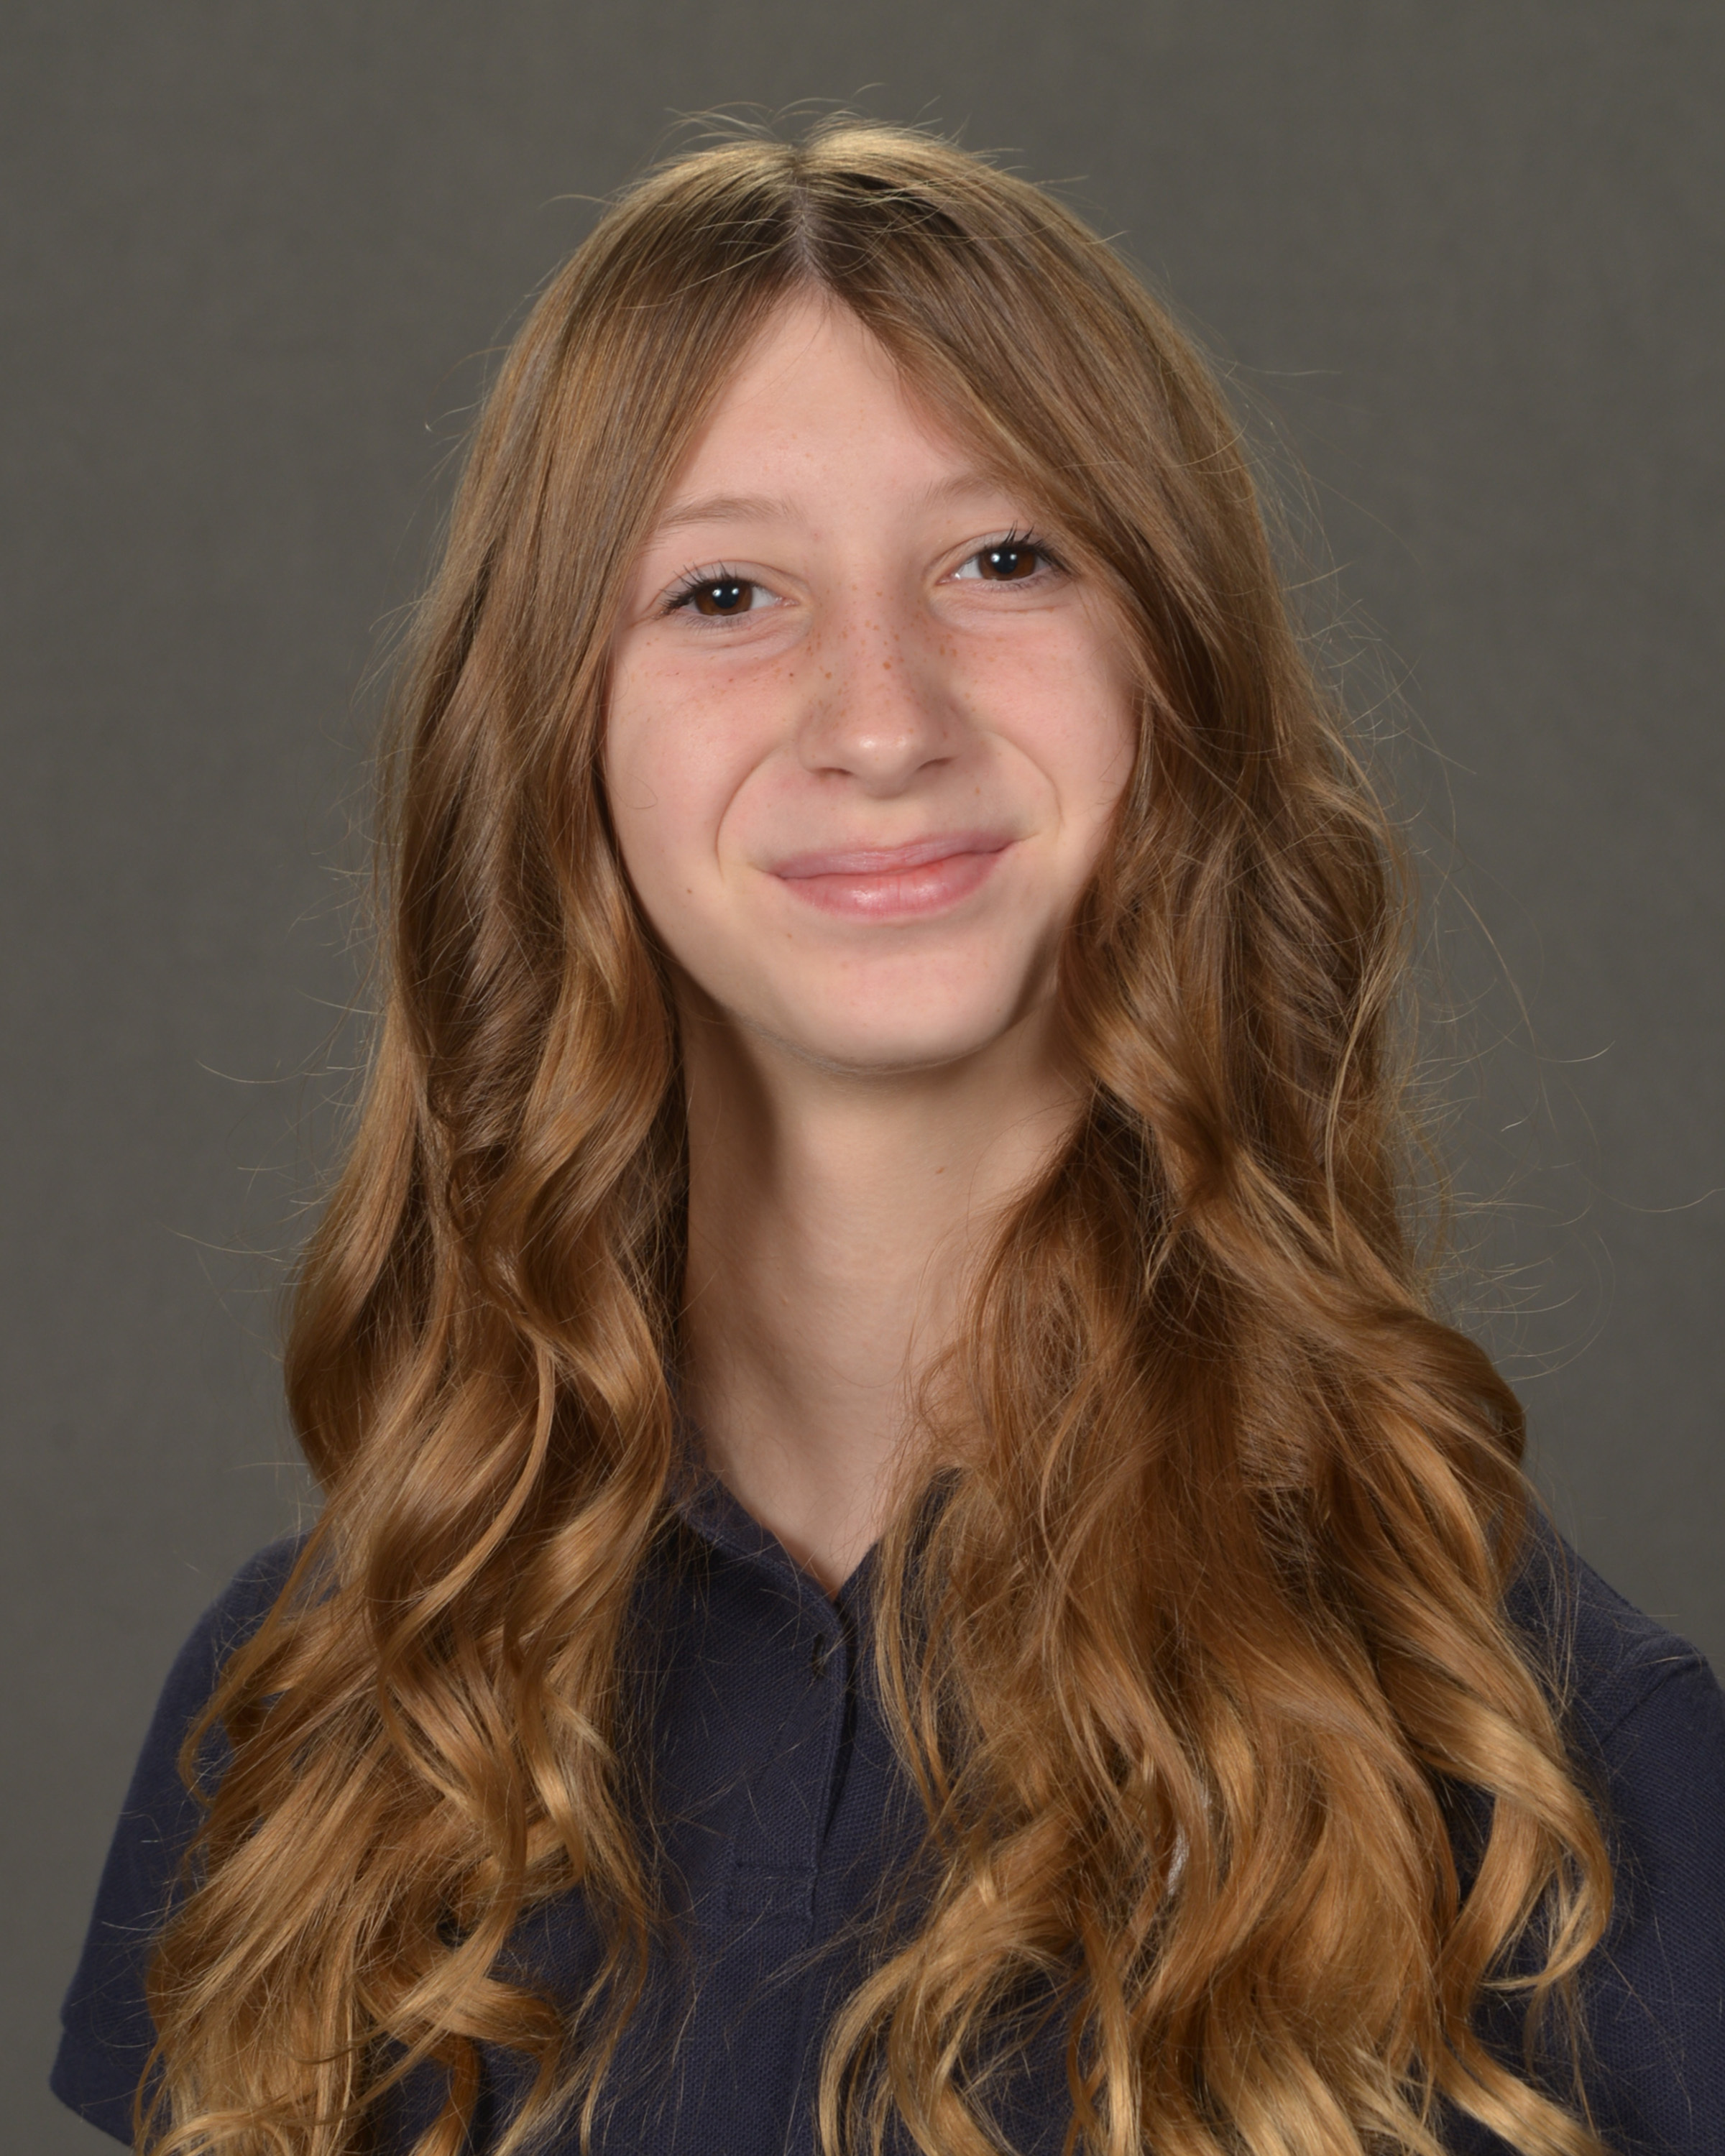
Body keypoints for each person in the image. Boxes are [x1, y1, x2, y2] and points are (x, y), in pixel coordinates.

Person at [53, 121, 1725, 2156]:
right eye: (724, 590)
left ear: (1175, 669)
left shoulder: (1566, 1787)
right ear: (557, 742)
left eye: (1004, 560)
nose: (880, 719)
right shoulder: (303, 1738)